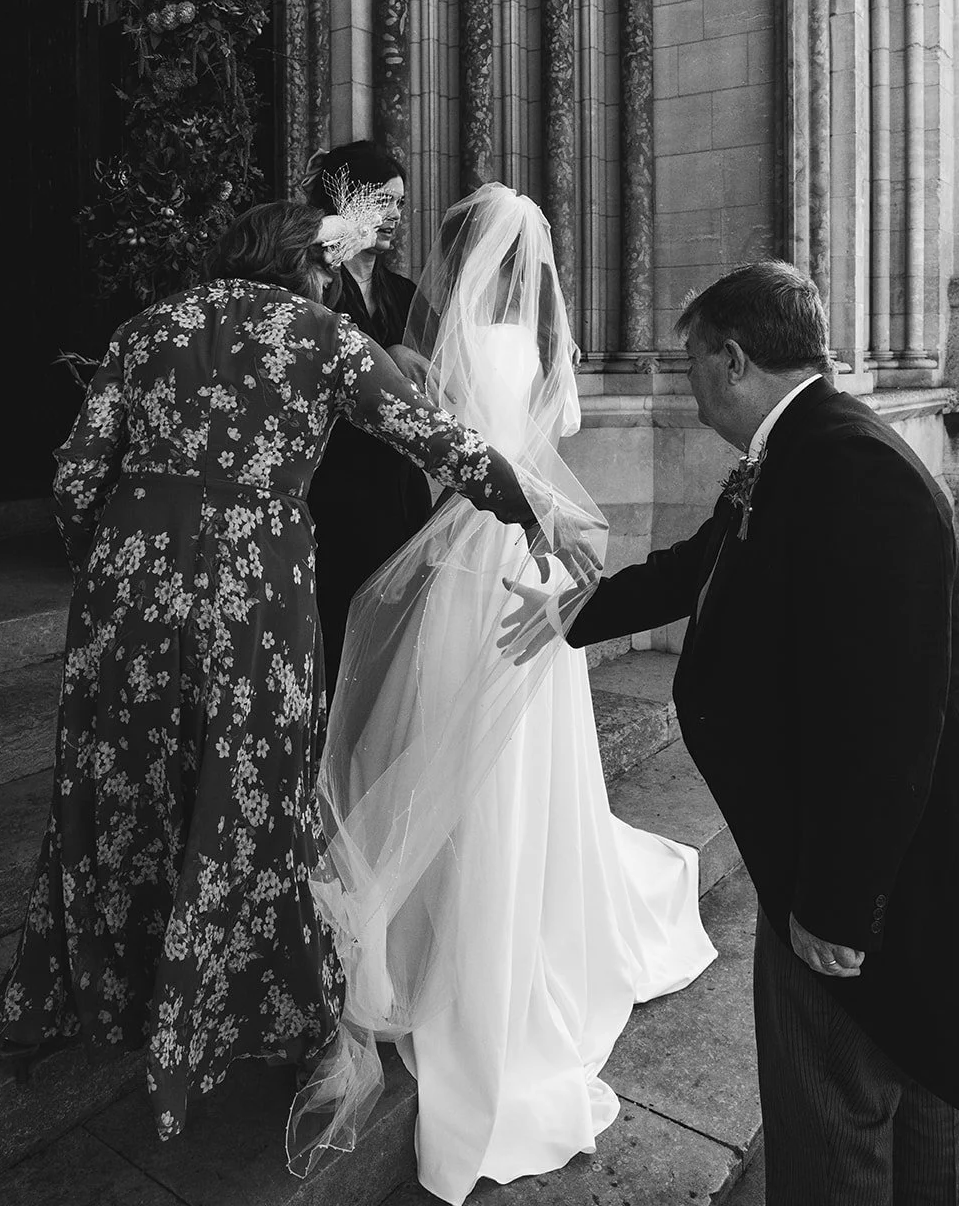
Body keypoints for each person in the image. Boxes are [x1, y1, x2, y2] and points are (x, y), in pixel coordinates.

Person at [0, 198, 580, 1144]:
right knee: (246, 782)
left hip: (130, 582)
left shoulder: (146, 329)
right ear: (306, 264)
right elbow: (439, 440)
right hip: (253, 590)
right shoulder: (324, 335)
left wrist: (102, 562)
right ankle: (216, 1008)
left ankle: (106, 985)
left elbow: (72, 475)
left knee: (123, 780)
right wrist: (530, 511)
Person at [504, 260, 959, 1204]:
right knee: (906, 1072)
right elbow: (700, 563)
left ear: (734, 359)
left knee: (829, 1099)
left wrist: (835, 904)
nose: (684, 382)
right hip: (876, 845)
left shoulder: (856, 469)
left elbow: (890, 713)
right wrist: (569, 613)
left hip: (877, 857)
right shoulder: (798, 450)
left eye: (692, 360)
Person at [289, 185, 716, 1203]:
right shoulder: (547, 349)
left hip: (468, 561)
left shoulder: (445, 355)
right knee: (524, 761)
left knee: (443, 738)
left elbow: (428, 442)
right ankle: (514, 908)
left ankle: (448, 913)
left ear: (458, 257)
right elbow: (551, 432)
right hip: (536, 565)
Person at [302, 143, 432, 703]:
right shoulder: (314, 284)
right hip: (336, 482)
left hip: (399, 480)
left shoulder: (404, 292)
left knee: (396, 631)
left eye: (401, 204)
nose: (396, 214)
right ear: (344, 199)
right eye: (383, 200)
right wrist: (385, 356)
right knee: (339, 621)